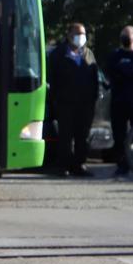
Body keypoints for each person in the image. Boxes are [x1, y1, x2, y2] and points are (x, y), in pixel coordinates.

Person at [46, 22, 100, 177]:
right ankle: (64, 166)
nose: (81, 37)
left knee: (82, 136)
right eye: (78, 34)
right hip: (65, 103)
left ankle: (79, 164)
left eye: (83, 34)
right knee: (66, 136)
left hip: (85, 104)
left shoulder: (88, 53)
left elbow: (94, 77)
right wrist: (57, 99)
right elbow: (52, 79)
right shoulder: (58, 54)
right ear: (69, 35)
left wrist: (93, 97)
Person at [106, 26, 133, 176]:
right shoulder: (114, 56)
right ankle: (122, 165)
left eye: (128, 35)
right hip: (119, 102)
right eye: (123, 35)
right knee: (120, 136)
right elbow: (111, 75)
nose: (125, 37)